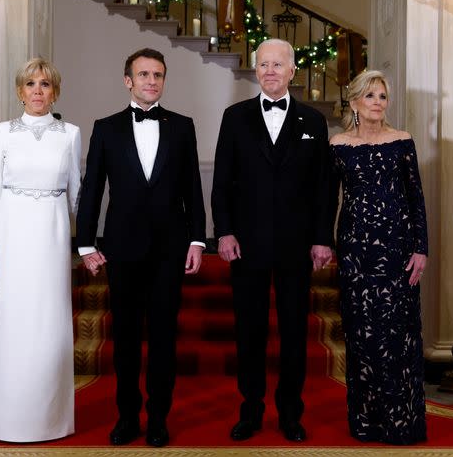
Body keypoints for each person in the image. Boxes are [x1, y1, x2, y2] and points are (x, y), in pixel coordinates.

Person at [76, 48, 206, 448]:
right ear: (128, 80)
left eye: (159, 75)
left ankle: (159, 420)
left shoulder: (182, 126)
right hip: (123, 246)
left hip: (170, 247)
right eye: (144, 74)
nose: (152, 81)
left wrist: (198, 239)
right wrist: (84, 244)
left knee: (164, 338)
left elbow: (192, 191)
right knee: (127, 338)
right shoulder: (106, 127)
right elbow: (93, 188)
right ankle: (127, 417)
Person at [211, 38, 333, 443]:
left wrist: (322, 238)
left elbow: (323, 189)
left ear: (293, 71)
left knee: (295, 334)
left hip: (297, 247)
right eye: (263, 64)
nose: (270, 71)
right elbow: (221, 183)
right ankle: (250, 410)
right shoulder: (234, 117)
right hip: (246, 245)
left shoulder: (314, 122)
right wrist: (224, 231)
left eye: (278, 64)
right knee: (249, 333)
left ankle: (290, 414)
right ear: (255, 69)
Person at [0, 58, 81, 442]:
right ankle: (11, 420)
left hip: (51, 238)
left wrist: (84, 245)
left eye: (46, 84)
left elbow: (76, 196)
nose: (38, 91)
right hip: (13, 235)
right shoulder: (2, 132)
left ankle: (51, 420)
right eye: (31, 84)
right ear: (20, 91)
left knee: (50, 327)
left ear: (55, 91)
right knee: (14, 326)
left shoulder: (70, 133)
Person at [328, 70, 428, 445]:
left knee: (398, 336)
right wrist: (323, 241)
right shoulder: (338, 144)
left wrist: (422, 249)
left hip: (399, 251)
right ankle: (367, 423)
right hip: (355, 252)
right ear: (354, 102)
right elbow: (327, 201)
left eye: (382, 96)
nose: (376, 102)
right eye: (369, 96)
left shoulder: (402, 141)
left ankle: (402, 424)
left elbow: (416, 198)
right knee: (362, 337)